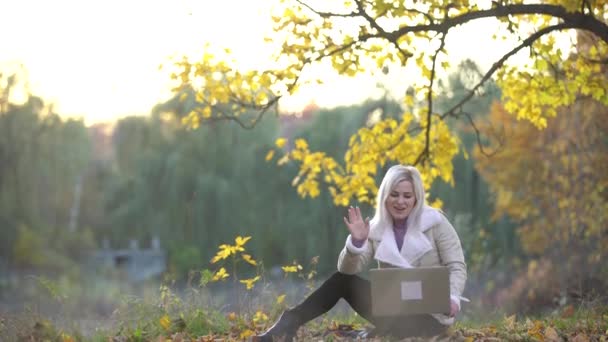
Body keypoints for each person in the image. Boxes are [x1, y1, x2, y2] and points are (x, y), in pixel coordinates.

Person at [254, 165, 467, 341]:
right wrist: (356, 242)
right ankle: (289, 322)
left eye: (407, 196)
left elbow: (457, 265)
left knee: (408, 326)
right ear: (385, 197)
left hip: (430, 317)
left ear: (416, 198)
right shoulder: (375, 228)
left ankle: (383, 333)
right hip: (392, 312)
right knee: (341, 280)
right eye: (394, 195)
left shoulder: (436, 223)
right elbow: (347, 270)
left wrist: (453, 297)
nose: (400, 202)